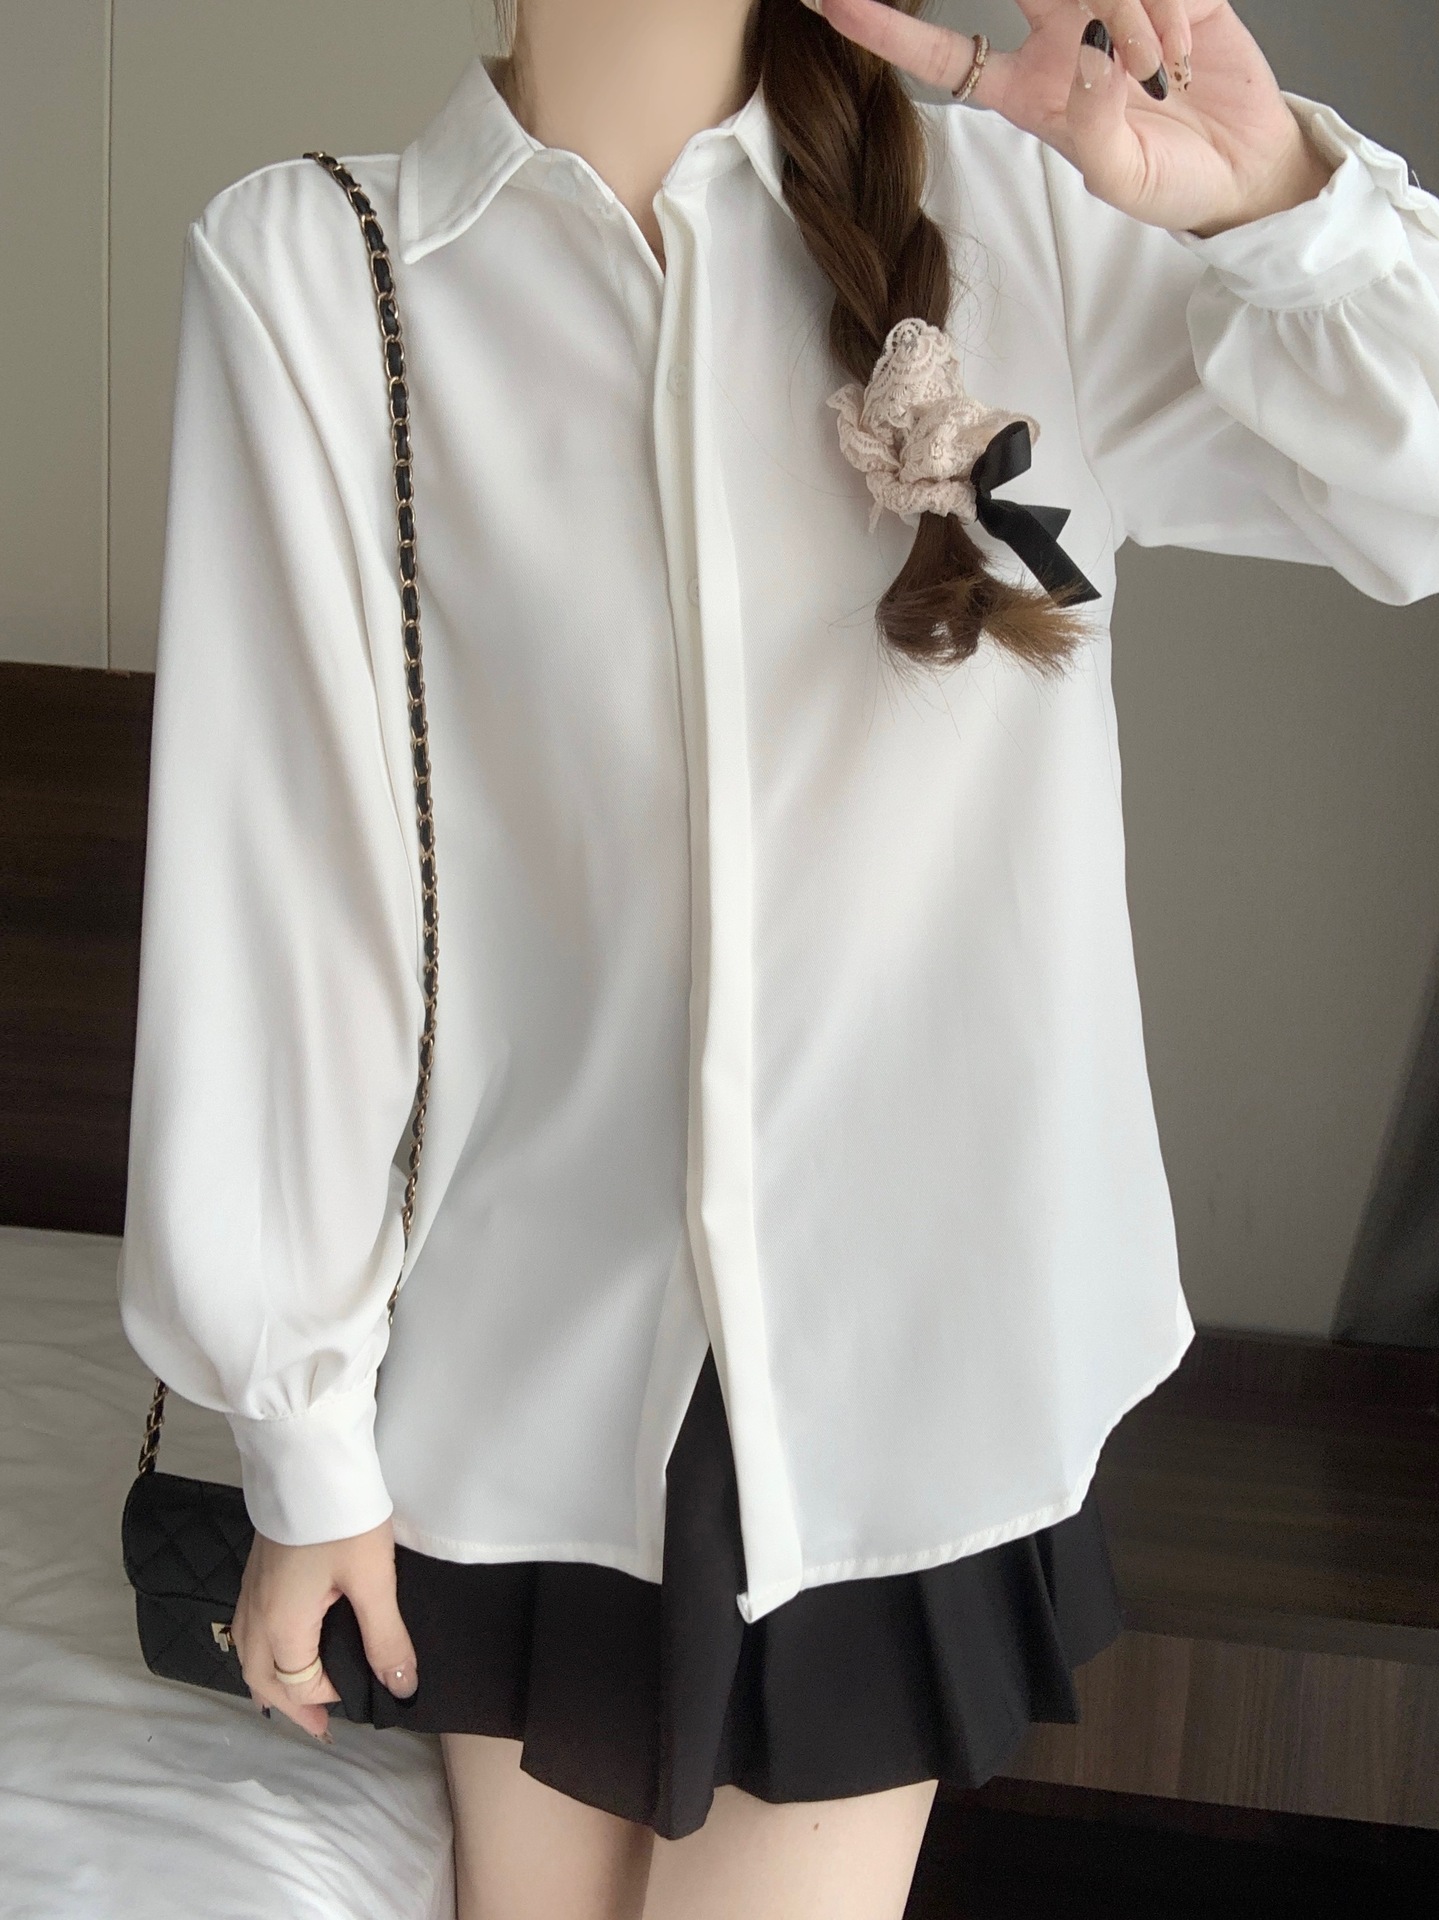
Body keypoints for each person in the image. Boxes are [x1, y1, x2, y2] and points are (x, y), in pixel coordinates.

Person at [118, 1, 1439, 1915]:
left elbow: (1413, 497)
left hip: (911, 1374)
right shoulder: (323, 270)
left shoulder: (1031, 216)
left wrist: (1275, 202)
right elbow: (292, 889)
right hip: (523, 1377)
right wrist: (301, 1437)